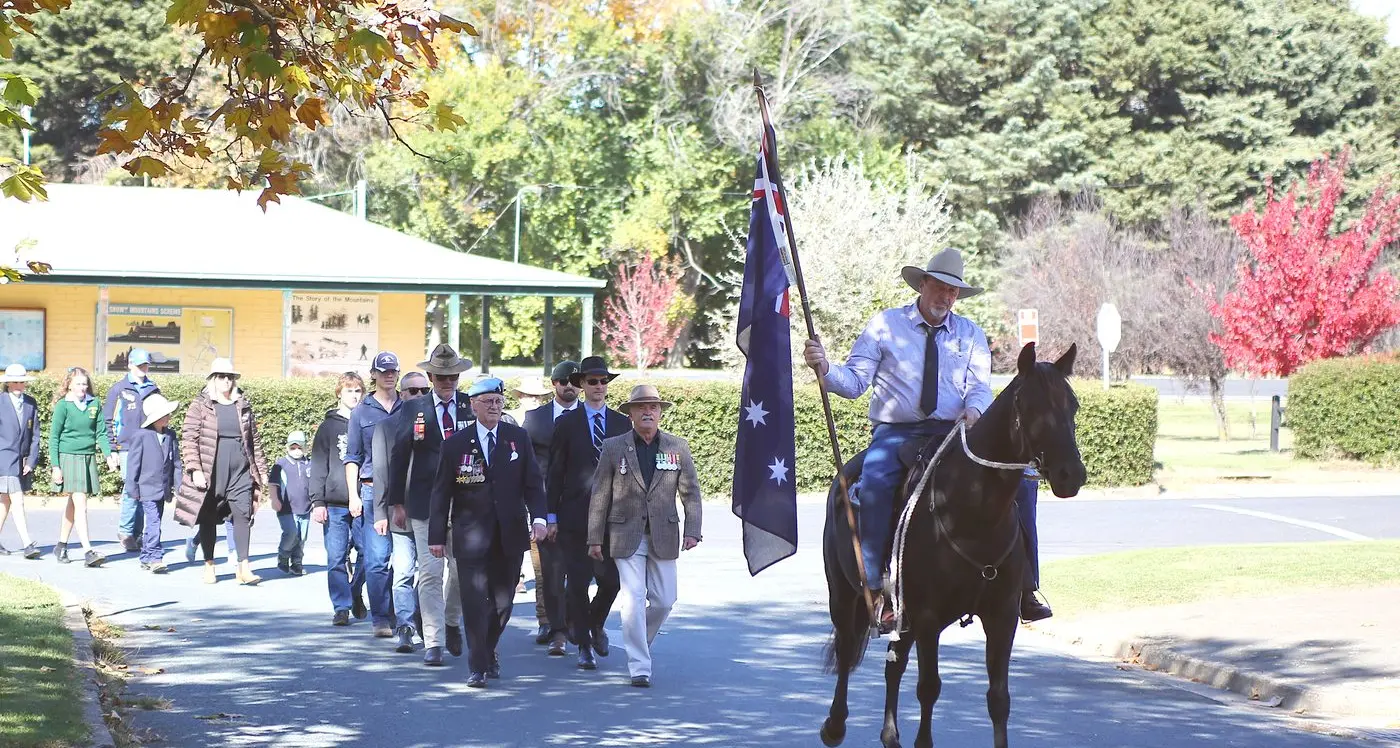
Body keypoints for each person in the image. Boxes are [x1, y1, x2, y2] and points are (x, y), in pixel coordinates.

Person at [803, 248, 1052, 625]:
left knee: (1022, 482)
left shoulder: (970, 334)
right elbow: (854, 383)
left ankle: (1025, 588)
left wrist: (975, 410)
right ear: (922, 284)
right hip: (896, 433)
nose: (946, 297)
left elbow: (979, 387)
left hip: (954, 434)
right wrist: (824, 367)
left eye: (953, 292)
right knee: (876, 482)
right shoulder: (885, 326)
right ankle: (876, 590)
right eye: (940, 287)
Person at [428, 376, 548, 688]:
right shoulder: (455, 444)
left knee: (503, 603)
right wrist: (437, 536)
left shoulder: (516, 438)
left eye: (498, 401)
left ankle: (488, 647)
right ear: (473, 405)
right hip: (470, 537)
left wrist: (539, 519)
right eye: (488, 402)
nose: (495, 407)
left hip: (509, 535)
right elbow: (442, 493)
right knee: (472, 601)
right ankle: (478, 665)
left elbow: (533, 484)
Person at [588, 384, 703, 688]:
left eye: (653, 407)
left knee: (665, 600)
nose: (648, 412)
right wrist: (594, 538)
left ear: (660, 413)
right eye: (641, 407)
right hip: (625, 534)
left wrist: (693, 530)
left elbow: (691, 492)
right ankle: (640, 666)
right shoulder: (614, 447)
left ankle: (640, 642)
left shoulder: (678, 447)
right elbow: (599, 494)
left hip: (663, 533)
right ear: (631, 414)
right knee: (633, 599)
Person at [386, 346, 473, 665]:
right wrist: (396, 501)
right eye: (442, 376)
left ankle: (451, 621)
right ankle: (433, 641)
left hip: (465, 502)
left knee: (463, 571)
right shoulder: (414, 409)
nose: (448, 381)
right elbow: (399, 456)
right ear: (431, 377)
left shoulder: (469, 405)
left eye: (453, 376)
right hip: (425, 503)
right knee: (430, 572)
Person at [549, 355, 630, 670]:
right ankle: (583, 644)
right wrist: (550, 516)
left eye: (603, 381)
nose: (598, 386)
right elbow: (554, 473)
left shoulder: (623, 424)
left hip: (613, 517)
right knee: (579, 581)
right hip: (574, 515)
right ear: (581, 384)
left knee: (612, 580)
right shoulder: (566, 423)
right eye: (592, 381)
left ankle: (595, 622)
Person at [173, 358, 269, 586]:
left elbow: (253, 440)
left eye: (230, 377)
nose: (226, 381)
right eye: (221, 377)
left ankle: (243, 566)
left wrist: (262, 470)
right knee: (207, 517)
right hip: (211, 468)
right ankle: (209, 564)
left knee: (242, 515)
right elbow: (189, 438)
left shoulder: (242, 404)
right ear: (213, 379)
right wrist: (194, 469)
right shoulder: (201, 405)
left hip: (240, 468)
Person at [521, 360, 579, 654]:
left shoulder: (591, 417)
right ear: (553, 384)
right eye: (562, 380)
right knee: (544, 570)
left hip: (581, 505)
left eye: (574, 380)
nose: (568, 386)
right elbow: (522, 464)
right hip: (542, 505)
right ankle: (547, 621)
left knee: (576, 570)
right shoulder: (534, 419)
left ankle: (569, 620)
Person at [375, 369, 432, 655]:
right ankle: (405, 627)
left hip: (429, 512)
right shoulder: (387, 426)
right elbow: (381, 473)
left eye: (424, 391)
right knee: (403, 573)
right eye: (412, 391)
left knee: (430, 574)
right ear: (402, 393)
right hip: (399, 513)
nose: (419, 396)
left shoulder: (437, 424)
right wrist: (380, 512)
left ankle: (426, 624)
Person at [345, 351, 401, 638]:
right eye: (384, 371)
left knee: (403, 560)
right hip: (370, 491)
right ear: (374, 374)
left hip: (404, 493)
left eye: (393, 371)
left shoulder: (409, 406)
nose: (389, 375)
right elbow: (352, 456)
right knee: (377, 559)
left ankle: (396, 612)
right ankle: (380, 617)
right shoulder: (361, 412)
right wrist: (353, 496)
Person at [311, 372, 367, 625]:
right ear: (339, 394)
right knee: (336, 558)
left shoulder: (368, 421)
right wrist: (317, 502)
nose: (354, 396)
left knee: (371, 554)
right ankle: (341, 607)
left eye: (357, 391)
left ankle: (354, 591)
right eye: (349, 391)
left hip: (364, 500)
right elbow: (318, 465)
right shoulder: (328, 427)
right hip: (333, 502)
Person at [47, 367, 111, 567]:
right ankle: (88, 551)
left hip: (88, 457)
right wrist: (56, 466)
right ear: (69, 385)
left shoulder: (95, 404)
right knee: (81, 503)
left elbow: (101, 432)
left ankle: (61, 545)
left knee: (74, 504)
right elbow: (54, 438)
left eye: (84, 383)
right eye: (78, 384)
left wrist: (109, 455)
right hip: (69, 457)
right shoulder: (63, 406)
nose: (82, 387)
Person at [102, 348, 162, 552]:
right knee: (131, 489)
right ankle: (125, 531)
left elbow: (159, 416)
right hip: (127, 446)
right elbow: (107, 421)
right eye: (139, 365)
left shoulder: (153, 388)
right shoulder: (119, 389)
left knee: (144, 490)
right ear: (129, 365)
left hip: (149, 446)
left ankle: (137, 534)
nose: (143, 369)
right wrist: (111, 449)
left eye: (145, 365)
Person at [124, 393, 182, 574]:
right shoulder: (142, 436)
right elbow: (133, 464)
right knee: (154, 521)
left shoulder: (170, 435)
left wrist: (179, 486)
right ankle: (156, 556)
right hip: (146, 487)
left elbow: (176, 463)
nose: (168, 417)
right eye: (164, 415)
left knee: (153, 522)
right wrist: (132, 487)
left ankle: (146, 556)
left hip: (162, 488)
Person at [0, 364, 42, 558]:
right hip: (3, 459)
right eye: (14, 381)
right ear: (7, 383)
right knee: (17, 500)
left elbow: (35, 436)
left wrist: (31, 461)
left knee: (5, 502)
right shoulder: (0, 402)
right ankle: (27, 544)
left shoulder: (31, 403)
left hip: (21, 460)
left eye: (21, 381)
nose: (18, 385)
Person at [271, 430, 314, 576]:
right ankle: (283, 557)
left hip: (305, 507)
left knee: (302, 538)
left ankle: (297, 563)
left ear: (305, 448)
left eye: (299, 448)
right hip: (287, 508)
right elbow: (273, 484)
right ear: (287, 448)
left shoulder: (309, 464)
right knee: (291, 534)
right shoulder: (281, 464)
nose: (296, 451)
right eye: (293, 448)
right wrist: (275, 499)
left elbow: (314, 484)